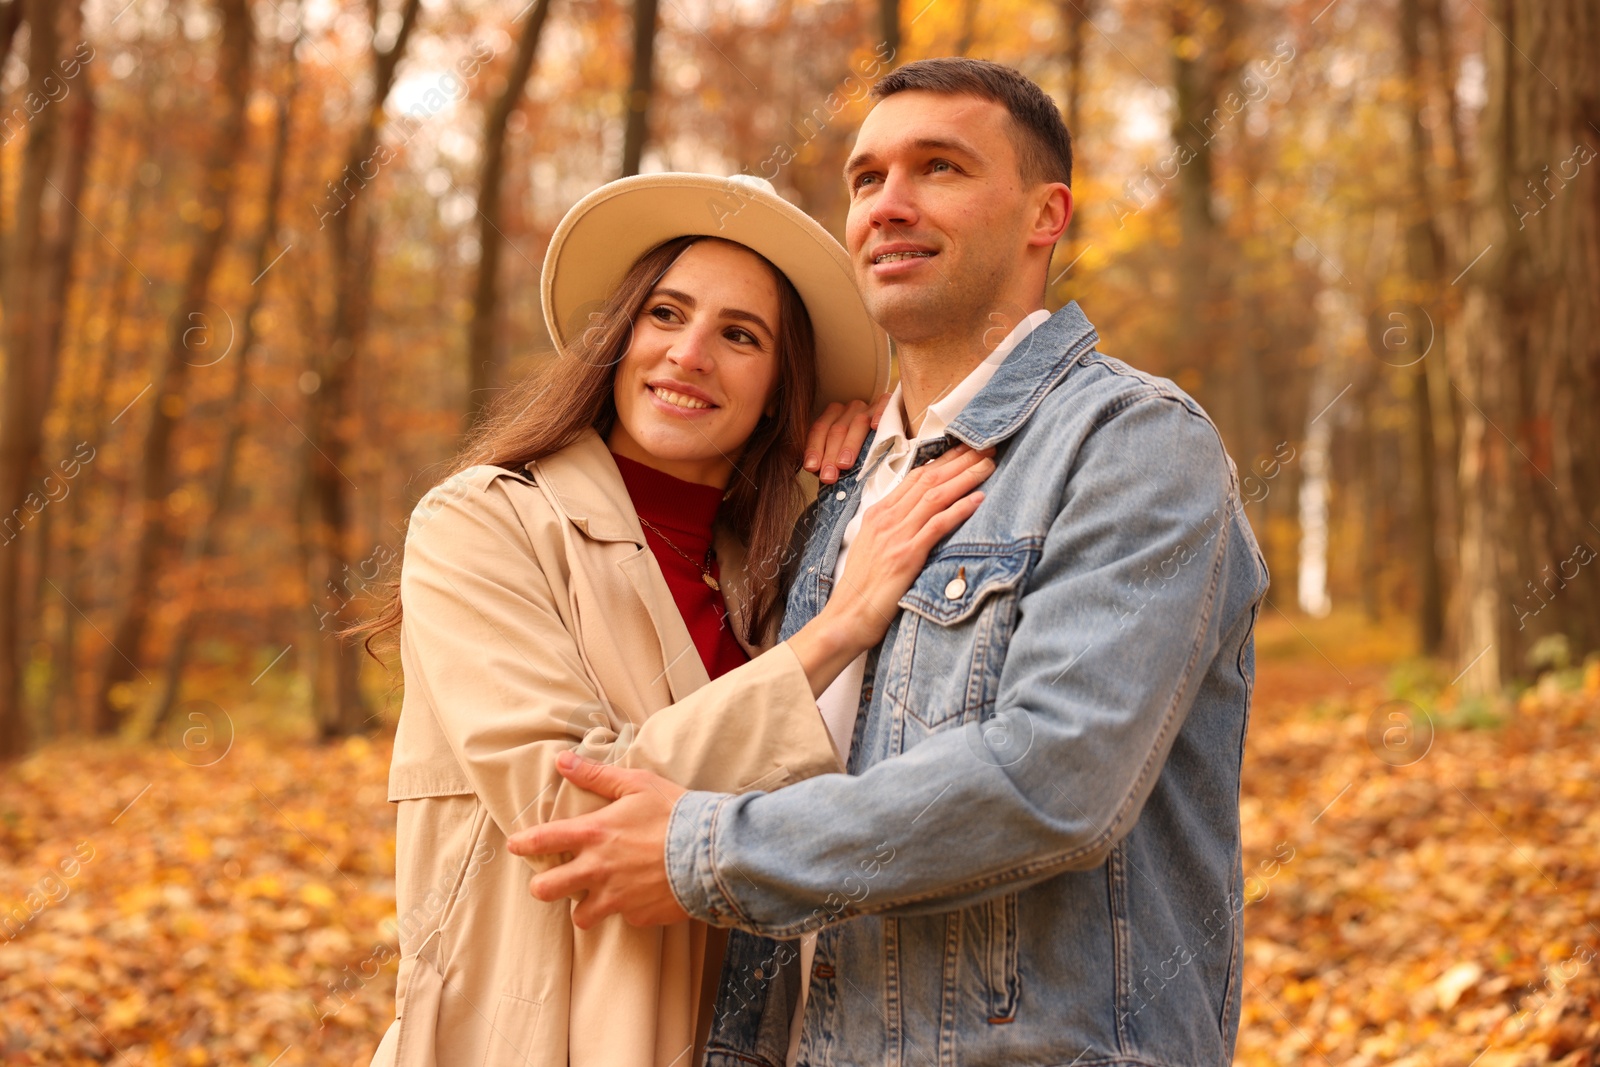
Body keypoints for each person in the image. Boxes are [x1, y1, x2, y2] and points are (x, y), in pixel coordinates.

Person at [508, 59, 1273, 1067]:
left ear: (1047, 214)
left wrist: (702, 849)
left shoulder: (1131, 445)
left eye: (939, 168)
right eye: (867, 179)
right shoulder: (838, 489)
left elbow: (1053, 779)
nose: (888, 205)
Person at [363, 172, 997, 1067]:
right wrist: (839, 626)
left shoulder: (782, 568)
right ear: (618, 337)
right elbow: (570, 803)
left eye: (741, 336)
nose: (689, 354)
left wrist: (861, 478)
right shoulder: (482, 522)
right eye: (665, 315)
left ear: (781, 387)